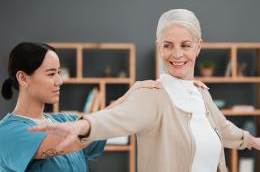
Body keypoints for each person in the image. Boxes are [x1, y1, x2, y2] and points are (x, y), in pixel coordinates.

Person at [29, 9, 259, 172]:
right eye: (168, 45)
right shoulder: (153, 95)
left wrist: (252, 141)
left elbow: (223, 127)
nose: (177, 54)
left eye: (186, 45)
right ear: (159, 47)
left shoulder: (201, 93)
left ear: (199, 46)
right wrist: (80, 125)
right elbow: (115, 119)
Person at [0, 42, 163, 172]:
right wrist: (89, 126)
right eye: (51, 74)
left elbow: (100, 121)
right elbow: (72, 140)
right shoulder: (7, 132)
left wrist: (130, 93)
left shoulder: (63, 120)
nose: (59, 81)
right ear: (23, 78)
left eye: (59, 72)